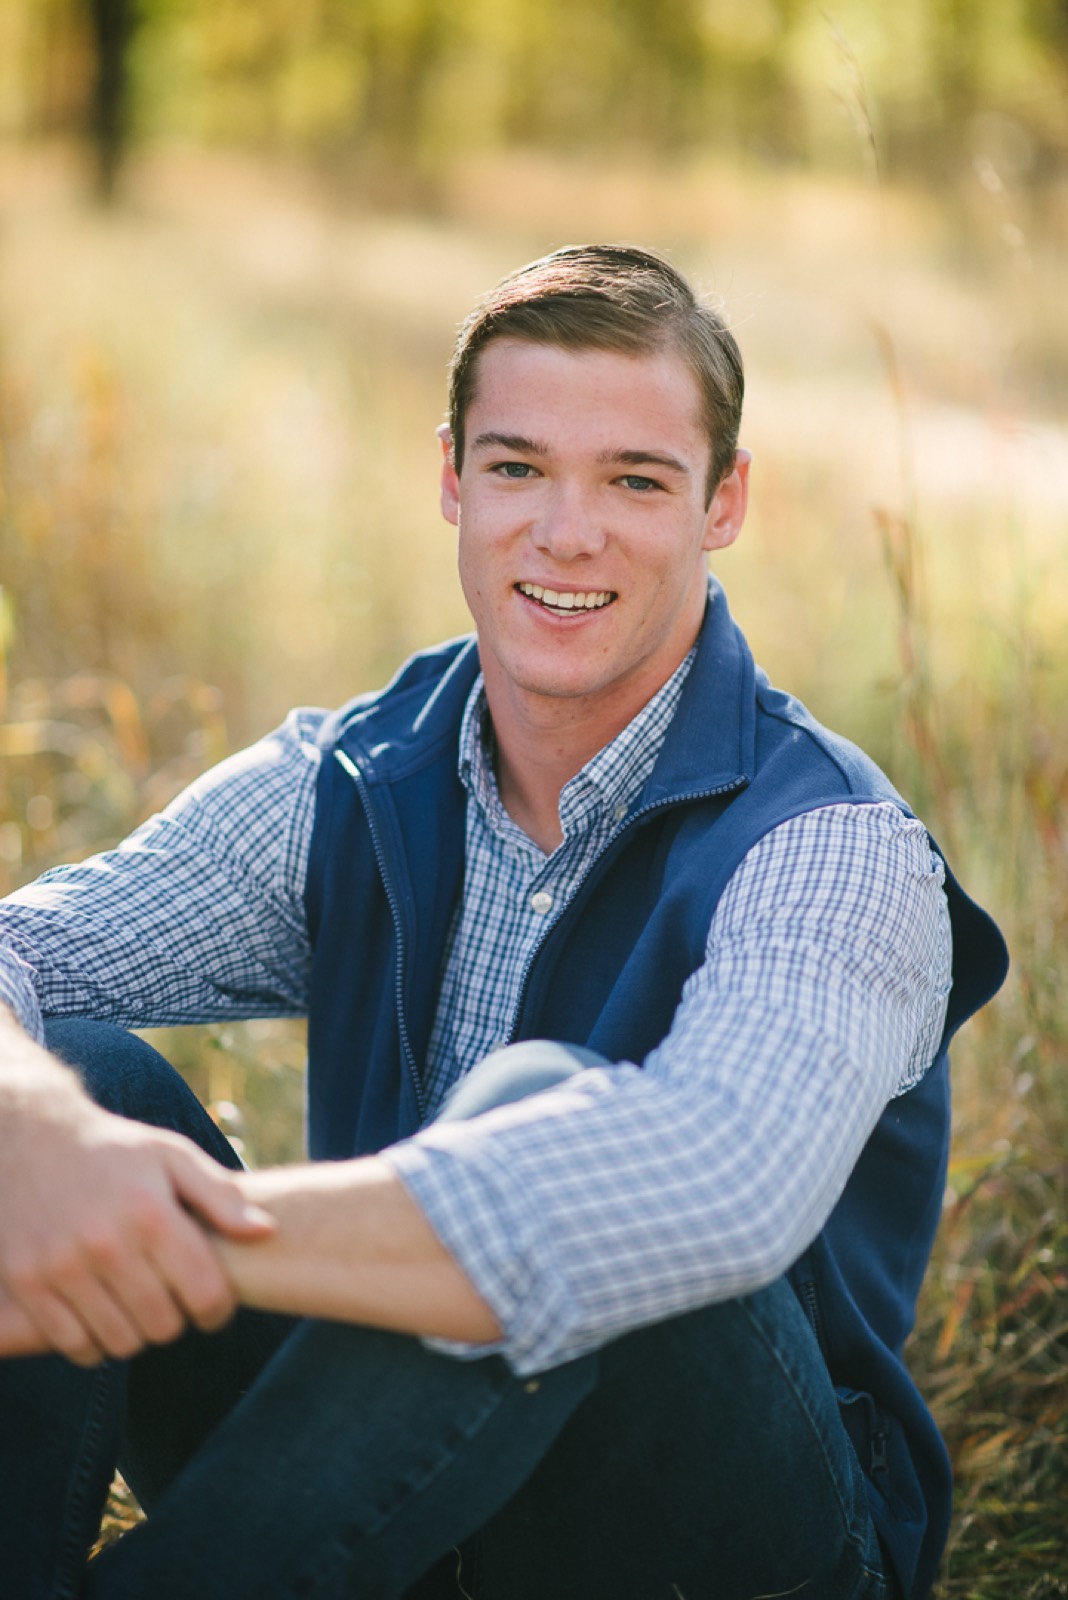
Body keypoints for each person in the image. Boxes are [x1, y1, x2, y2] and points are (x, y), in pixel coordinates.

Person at [0, 244, 1007, 1600]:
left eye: (635, 480)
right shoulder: (355, 778)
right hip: (383, 1467)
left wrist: (170, 1222)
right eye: (520, 467)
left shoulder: (828, 846)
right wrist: (56, 1143)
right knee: (69, 1081)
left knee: (546, 1120)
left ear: (725, 502)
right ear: (453, 480)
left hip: (720, 1536)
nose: (566, 531)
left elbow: (711, 1184)